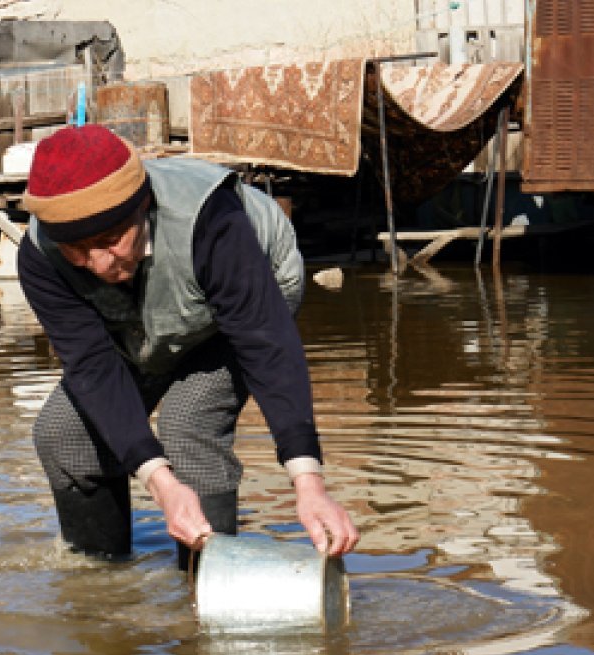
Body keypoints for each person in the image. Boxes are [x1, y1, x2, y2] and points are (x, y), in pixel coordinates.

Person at [18, 124, 358, 565]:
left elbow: (265, 343)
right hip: (141, 319)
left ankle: (206, 590)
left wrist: (309, 485)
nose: (99, 264)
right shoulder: (40, 257)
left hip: (250, 299)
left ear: (142, 207)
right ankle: (103, 585)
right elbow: (94, 368)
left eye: (109, 241)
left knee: (187, 424)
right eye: (78, 252)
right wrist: (161, 484)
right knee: (63, 434)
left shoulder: (213, 221)